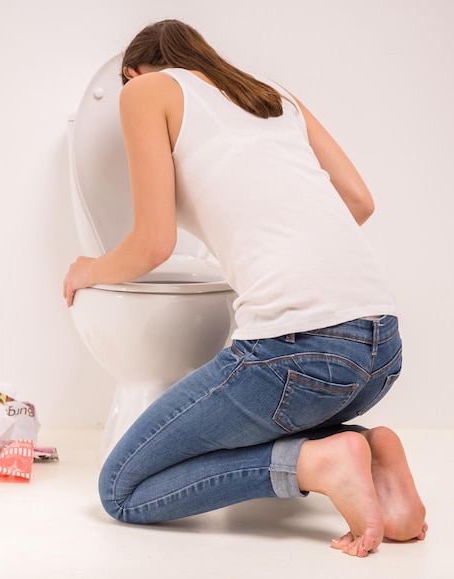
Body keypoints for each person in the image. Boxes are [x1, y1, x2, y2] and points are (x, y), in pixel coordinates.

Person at [63, 19, 427, 557]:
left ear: (130, 72)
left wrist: (87, 269)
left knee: (122, 491)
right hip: (380, 352)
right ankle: (369, 453)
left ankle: (319, 461)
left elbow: (153, 243)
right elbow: (359, 201)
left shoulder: (144, 89)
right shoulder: (275, 96)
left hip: (297, 358)